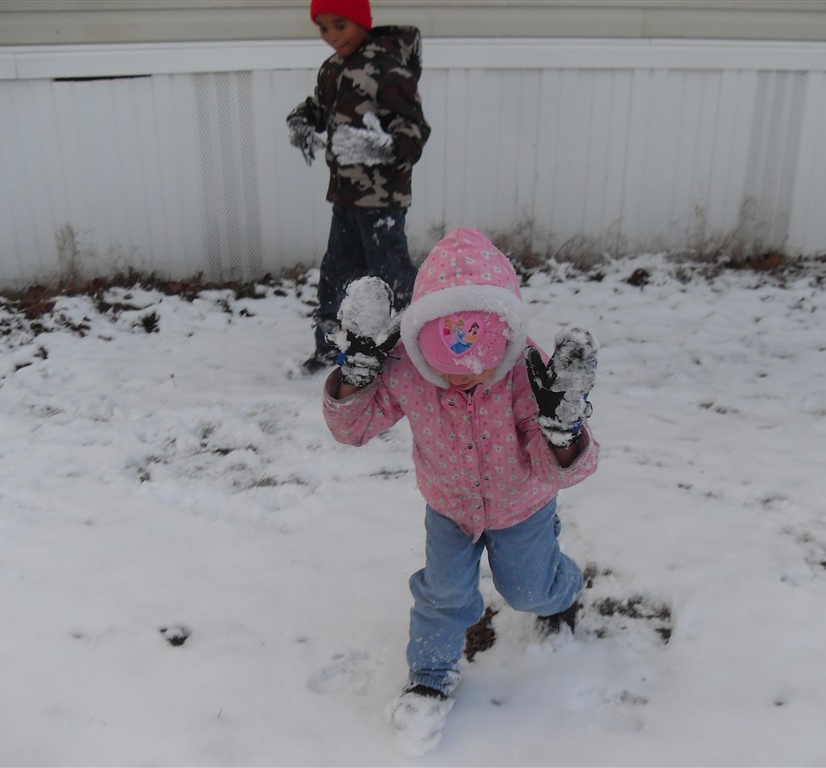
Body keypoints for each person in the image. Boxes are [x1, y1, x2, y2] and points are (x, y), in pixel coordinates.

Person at [321, 227, 600, 753]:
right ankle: (430, 677)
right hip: (449, 507)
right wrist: (356, 377)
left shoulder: (526, 371)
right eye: (444, 369)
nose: (460, 381)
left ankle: (561, 591)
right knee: (444, 592)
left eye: (477, 369)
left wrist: (561, 435)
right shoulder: (407, 368)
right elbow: (351, 429)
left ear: (506, 340)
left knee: (529, 591)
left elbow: (557, 471)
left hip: (522, 505)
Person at [286, 0, 431, 374]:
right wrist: (301, 123)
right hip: (345, 198)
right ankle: (330, 349)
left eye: (340, 25)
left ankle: (417, 354)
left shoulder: (388, 68)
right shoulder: (333, 68)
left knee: (392, 278)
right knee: (336, 276)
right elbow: (318, 109)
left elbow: (413, 131)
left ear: (361, 21)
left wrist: (377, 147)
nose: (332, 36)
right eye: (323, 28)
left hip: (382, 201)